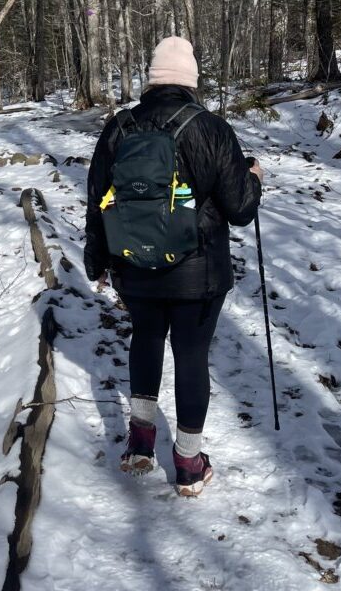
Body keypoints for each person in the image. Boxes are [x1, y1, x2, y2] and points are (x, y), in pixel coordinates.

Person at [84, 35, 263, 496]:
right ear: (191, 80)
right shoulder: (211, 128)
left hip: (134, 268)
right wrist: (254, 178)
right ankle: (187, 461)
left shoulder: (119, 127)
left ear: (152, 77)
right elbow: (240, 209)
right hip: (197, 273)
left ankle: (140, 443)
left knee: (145, 339)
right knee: (190, 355)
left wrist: (96, 260)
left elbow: (97, 200)